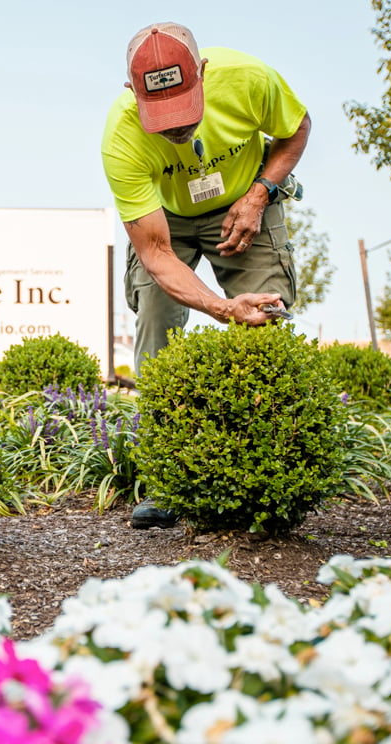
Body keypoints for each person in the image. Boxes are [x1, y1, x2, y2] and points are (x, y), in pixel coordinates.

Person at [101, 22, 311, 529]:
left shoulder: (248, 78)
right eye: (163, 117)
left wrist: (260, 192)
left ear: (203, 72)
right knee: (154, 314)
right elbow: (154, 253)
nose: (177, 129)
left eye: (184, 109)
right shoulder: (120, 137)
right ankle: (168, 479)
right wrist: (219, 308)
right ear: (133, 94)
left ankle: (271, 478)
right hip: (166, 218)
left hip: (246, 194)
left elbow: (296, 129)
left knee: (268, 317)